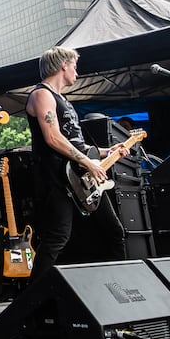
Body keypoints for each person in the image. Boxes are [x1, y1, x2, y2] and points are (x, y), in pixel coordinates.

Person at [25, 47, 130, 279]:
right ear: (63, 65)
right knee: (57, 238)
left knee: (114, 231)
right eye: (74, 66)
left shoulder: (64, 100)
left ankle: (123, 285)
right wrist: (89, 163)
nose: (77, 72)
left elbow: (77, 144)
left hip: (80, 177)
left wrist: (105, 152)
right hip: (56, 176)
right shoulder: (41, 95)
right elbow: (52, 137)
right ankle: (30, 302)